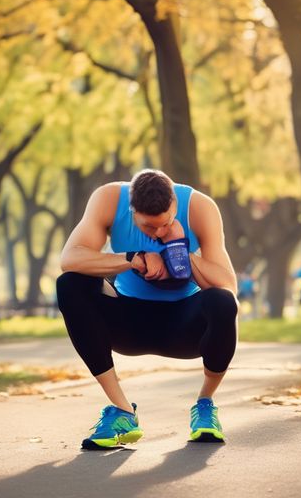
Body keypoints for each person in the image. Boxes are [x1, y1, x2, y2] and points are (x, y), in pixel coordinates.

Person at [56, 169, 238, 449]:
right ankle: (122, 411)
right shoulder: (108, 199)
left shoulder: (199, 207)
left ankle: (204, 406)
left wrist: (180, 253)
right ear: (132, 211)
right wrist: (133, 259)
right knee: (69, 284)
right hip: (130, 322)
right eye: (148, 227)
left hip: (185, 327)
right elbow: (70, 258)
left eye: (165, 224)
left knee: (223, 302)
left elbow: (228, 285)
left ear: (174, 206)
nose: (158, 232)